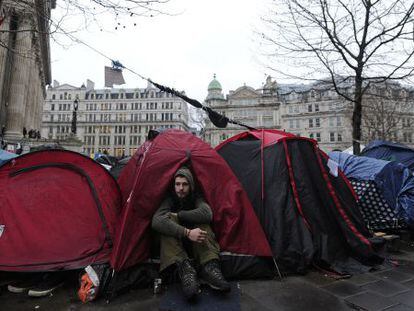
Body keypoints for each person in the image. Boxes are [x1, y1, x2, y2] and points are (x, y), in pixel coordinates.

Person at [152, 167, 230, 300]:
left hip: (197, 244)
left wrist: (180, 215)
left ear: (191, 185)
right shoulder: (170, 199)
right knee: (167, 221)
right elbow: (157, 221)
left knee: (203, 224)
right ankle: (186, 272)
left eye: (185, 184)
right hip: (176, 246)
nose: (180, 188)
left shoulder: (196, 197)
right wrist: (187, 232)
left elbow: (207, 213)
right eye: (177, 184)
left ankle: (209, 266)